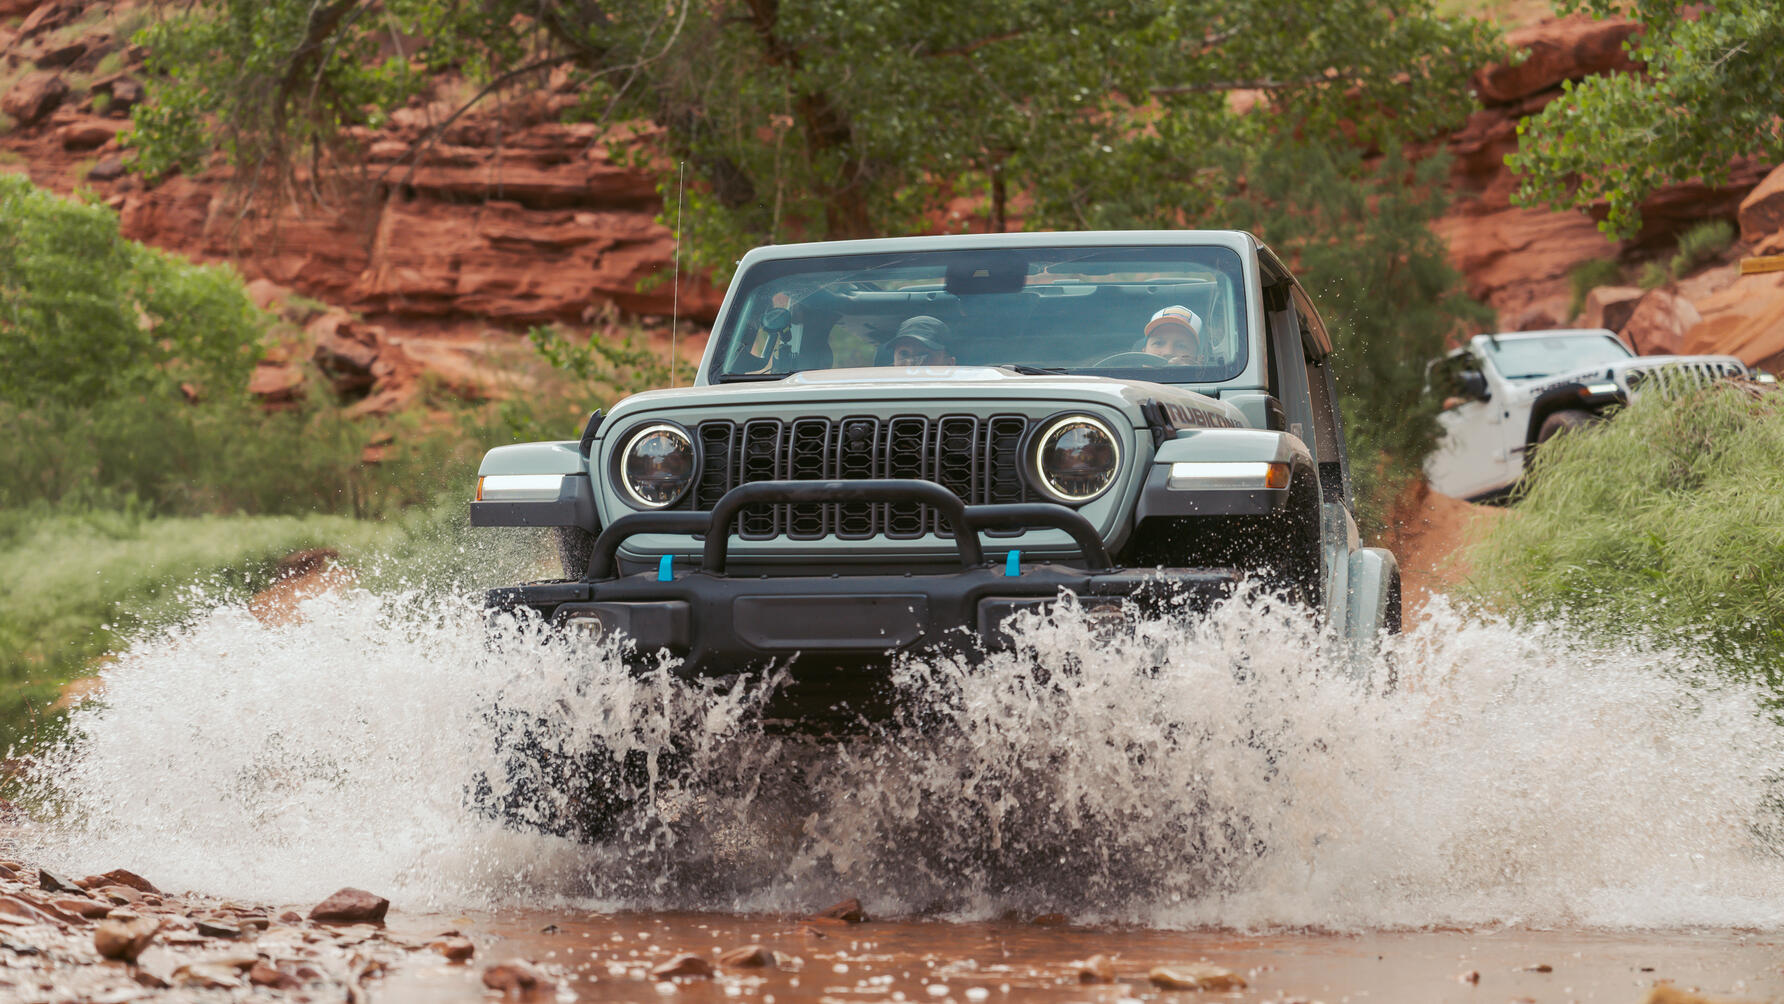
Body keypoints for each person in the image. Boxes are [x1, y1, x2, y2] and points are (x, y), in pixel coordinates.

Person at [884, 315, 955, 366]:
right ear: (894, 362)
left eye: (924, 355)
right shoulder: (878, 385)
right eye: (904, 354)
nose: (910, 363)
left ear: (949, 364)